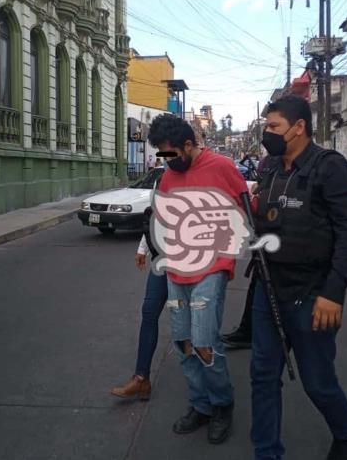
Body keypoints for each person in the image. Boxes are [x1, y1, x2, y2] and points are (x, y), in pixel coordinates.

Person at [251, 97, 347, 460]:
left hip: (313, 292)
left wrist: (334, 292)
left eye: (273, 127)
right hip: (268, 288)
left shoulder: (329, 167)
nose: (267, 134)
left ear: (299, 127)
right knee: (263, 375)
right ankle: (267, 453)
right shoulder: (268, 167)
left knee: (317, 382)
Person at [147, 114, 248, 445]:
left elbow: (244, 208)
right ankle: (201, 404)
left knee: (204, 341)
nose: (167, 161)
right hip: (176, 269)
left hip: (211, 267)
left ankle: (222, 404)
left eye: (171, 153)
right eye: (162, 155)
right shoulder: (168, 175)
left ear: (189, 145)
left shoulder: (221, 167)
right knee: (184, 342)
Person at [110, 207, 168, 400]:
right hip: (160, 262)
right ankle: (141, 379)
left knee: (188, 324)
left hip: (188, 263)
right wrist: (142, 248)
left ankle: (203, 394)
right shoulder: (165, 179)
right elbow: (156, 217)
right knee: (149, 313)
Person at [222, 153, 275, 350]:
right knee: (257, 287)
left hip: (285, 244)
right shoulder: (268, 162)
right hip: (261, 235)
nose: (269, 131)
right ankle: (248, 331)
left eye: (274, 125)